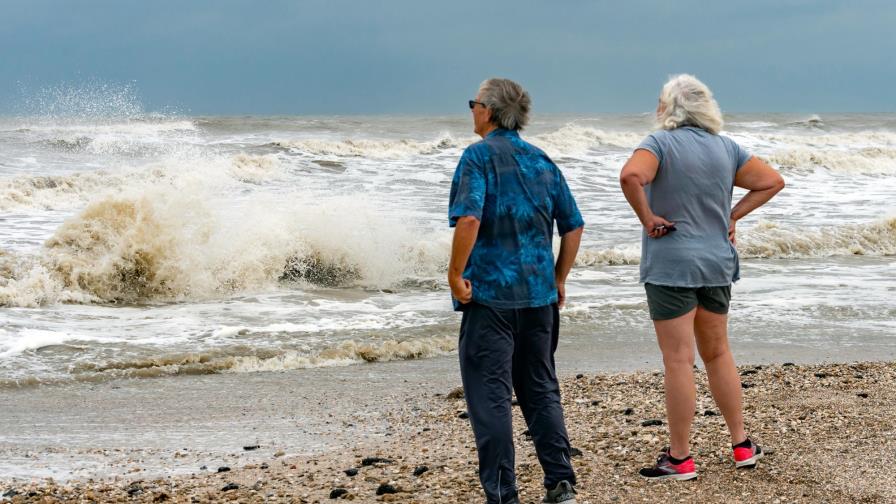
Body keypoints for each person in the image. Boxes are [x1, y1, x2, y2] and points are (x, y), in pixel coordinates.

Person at [619, 74, 785, 480]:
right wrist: (731, 216)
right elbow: (771, 181)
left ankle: (680, 458)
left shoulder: (659, 143)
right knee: (718, 353)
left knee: (678, 360)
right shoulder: (725, 147)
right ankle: (742, 445)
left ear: (668, 107)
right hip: (716, 262)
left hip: (673, 264)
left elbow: (630, 176)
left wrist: (648, 218)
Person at [448, 78, 584, 504]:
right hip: (539, 298)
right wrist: (558, 278)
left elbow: (469, 219)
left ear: (488, 110)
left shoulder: (477, 157)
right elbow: (574, 225)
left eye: (474, 103)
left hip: (490, 297)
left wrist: (455, 274)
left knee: (490, 398)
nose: (471, 110)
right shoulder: (541, 161)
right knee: (540, 388)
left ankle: (504, 492)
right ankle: (560, 481)